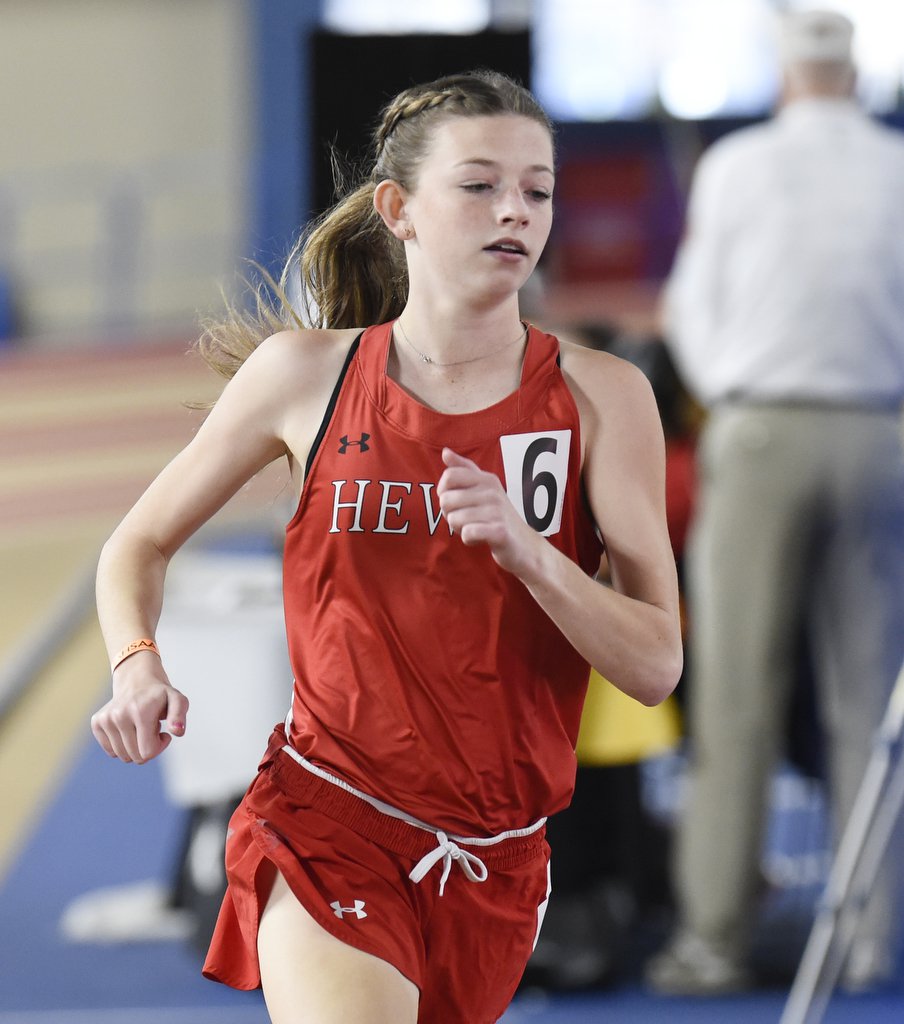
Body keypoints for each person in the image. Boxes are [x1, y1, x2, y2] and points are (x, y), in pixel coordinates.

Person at [89, 71, 682, 1024]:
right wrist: (136, 666)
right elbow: (138, 543)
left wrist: (534, 555)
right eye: (480, 185)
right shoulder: (306, 376)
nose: (516, 212)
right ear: (398, 210)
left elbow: (655, 664)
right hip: (328, 818)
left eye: (538, 189)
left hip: (499, 857)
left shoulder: (603, 396)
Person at [646, 10, 904, 996]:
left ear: (785, 70)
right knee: (867, 702)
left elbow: (690, 315)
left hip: (757, 437)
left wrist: (740, 396)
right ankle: (877, 939)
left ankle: (710, 938)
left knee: (735, 700)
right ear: (854, 71)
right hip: (878, 437)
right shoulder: (894, 167)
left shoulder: (737, 166)